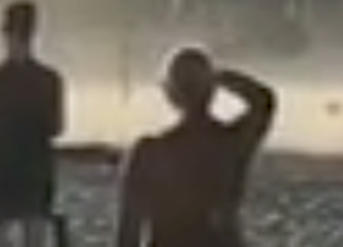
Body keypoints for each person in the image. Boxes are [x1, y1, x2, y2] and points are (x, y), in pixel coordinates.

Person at [112, 48, 276, 247]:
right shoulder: (231, 144)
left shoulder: (148, 153)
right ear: (212, 93)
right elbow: (263, 100)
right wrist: (217, 76)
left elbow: (128, 231)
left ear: (171, 94)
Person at [0, 0, 66, 247]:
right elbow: (56, 127)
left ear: (5, 34)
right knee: (32, 235)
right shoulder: (48, 80)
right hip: (31, 173)